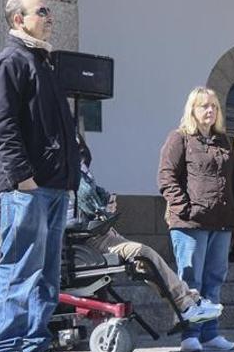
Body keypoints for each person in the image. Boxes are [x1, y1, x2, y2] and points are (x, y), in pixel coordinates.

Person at [0, 0, 80, 352]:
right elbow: (1, 125)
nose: (49, 16)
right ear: (18, 20)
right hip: (27, 186)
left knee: (45, 272)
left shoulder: (43, 62)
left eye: (49, 10)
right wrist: (23, 177)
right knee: (20, 267)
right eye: (42, 11)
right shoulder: (10, 61)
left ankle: (35, 346)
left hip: (54, 184)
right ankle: (5, 351)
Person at [75, 137, 223, 325]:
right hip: (89, 239)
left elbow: (99, 194)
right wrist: (103, 207)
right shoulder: (73, 172)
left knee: (145, 259)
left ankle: (189, 300)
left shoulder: (81, 170)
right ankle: (185, 303)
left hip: (101, 231)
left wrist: (105, 202)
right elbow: (88, 197)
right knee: (141, 253)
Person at [158, 87, 234, 352]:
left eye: (214, 107)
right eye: (203, 106)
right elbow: (166, 177)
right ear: (192, 110)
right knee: (191, 280)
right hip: (190, 224)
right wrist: (184, 208)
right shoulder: (179, 138)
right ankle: (190, 334)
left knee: (215, 278)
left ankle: (210, 333)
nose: (210, 111)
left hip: (221, 222)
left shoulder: (223, 141)